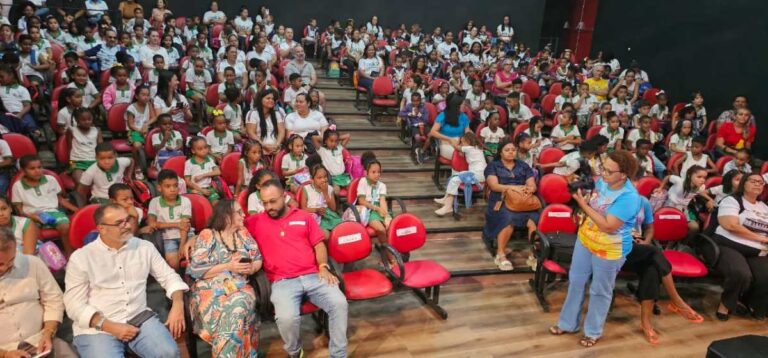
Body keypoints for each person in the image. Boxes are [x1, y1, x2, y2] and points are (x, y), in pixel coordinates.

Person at [64, 204, 188, 357]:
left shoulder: (144, 247)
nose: (127, 226)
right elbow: (73, 304)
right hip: (98, 327)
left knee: (168, 353)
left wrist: (178, 304)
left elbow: (169, 277)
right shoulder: (82, 257)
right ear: (102, 228)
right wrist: (110, 326)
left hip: (138, 317)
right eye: (119, 223)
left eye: (127, 220)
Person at [245, 179, 348, 358]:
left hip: (313, 275)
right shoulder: (255, 222)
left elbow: (319, 245)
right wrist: (196, 237)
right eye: (265, 203)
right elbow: (224, 225)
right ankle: (294, 351)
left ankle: (338, 354)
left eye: (273, 201)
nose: (269, 207)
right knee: (286, 318)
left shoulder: (303, 216)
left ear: (285, 197)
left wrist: (323, 266)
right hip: (282, 281)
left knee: (339, 303)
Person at [550, 150, 641, 348]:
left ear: (623, 174)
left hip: (609, 249)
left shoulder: (630, 197)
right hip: (586, 239)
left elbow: (608, 226)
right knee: (576, 281)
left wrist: (582, 204)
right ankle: (567, 323)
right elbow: (594, 197)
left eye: (608, 171)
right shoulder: (602, 182)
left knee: (600, 290)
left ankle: (593, 331)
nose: (603, 174)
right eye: (602, 168)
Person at [187, 200, 262, 357]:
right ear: (227, 216)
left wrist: (252, 268)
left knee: (240, 302)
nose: (244, 215)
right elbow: (196, 270)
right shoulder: (208, 235)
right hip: (210, 289)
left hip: (240, 286)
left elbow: (257, 258)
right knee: (238, 307)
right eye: (239, 212)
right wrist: (229, 267)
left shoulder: (243, 233)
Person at [0, 228, 78, 358]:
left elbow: (54, 300)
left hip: (40, 340)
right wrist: (5, 354)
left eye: (11, 260)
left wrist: (48, 333)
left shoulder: (32, 263)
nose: (5, 267)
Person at [712, 172, 768, 321]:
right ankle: (725, 304)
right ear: (744, 183)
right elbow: (730, 224)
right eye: (753, 181)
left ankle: (753, 305)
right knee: (741, 273)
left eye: (761, 182)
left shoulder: (764, 207)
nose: (757, 184)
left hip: (756, 250)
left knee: (765, 276)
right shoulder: (732, 200)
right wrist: (760, 238)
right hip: (730, 245)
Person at [483, 139, 538, 271]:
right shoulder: (493, 166)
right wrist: (515, 188)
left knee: (535, 220)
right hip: (500, 199)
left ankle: (533, 255)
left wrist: (530, 189)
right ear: (500, 152)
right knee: (508, 219)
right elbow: (494, 186)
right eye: (507, 150)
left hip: (523, 200)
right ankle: (500, 254)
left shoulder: (523, 165)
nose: (511, 152)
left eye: (513, 150)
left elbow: (532, 185)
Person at [12, 155, 77, 256]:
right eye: (32, 168)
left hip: (53, 212)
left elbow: (60, 199)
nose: (37, 171)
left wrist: (77, 210)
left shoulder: (51, 179)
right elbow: (19, 209)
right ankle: (45, 259)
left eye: (39, 167)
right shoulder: (18, 186)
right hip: (31, 215)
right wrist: (32, 216)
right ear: (23, 170)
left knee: (65, 227)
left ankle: (70, 255)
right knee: (34, 234)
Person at [434, 132, 486, 216]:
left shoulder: (468, 148)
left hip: (477, 175)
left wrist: (454, 141)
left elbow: (456, 147)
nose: (462, 144)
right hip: (480, 174)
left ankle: (448, 206)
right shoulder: (477, 147)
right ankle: (446, 199)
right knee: (454, 177)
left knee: (454, 180)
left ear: (468, 142)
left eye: (463, 142)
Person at [428, 93, 471, 162]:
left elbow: (467, 133)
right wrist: (449, 139)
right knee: (460, 155)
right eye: (463, 104)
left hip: (460, 142)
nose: (465, 106)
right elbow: (433, 132)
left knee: (472, 153)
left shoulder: (464, 116)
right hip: (445, 143)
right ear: (455, 105)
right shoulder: (443, 115)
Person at [245, 88, 286, 157]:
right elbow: (251, 133)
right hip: (258, 147)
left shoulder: (277, 113)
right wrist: (263, 146)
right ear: (261, 100)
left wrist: (277, 145)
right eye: (268, 98)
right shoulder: (252, 113)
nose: (271, 100)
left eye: (272, 99)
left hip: (276, 148)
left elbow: (281, 131)